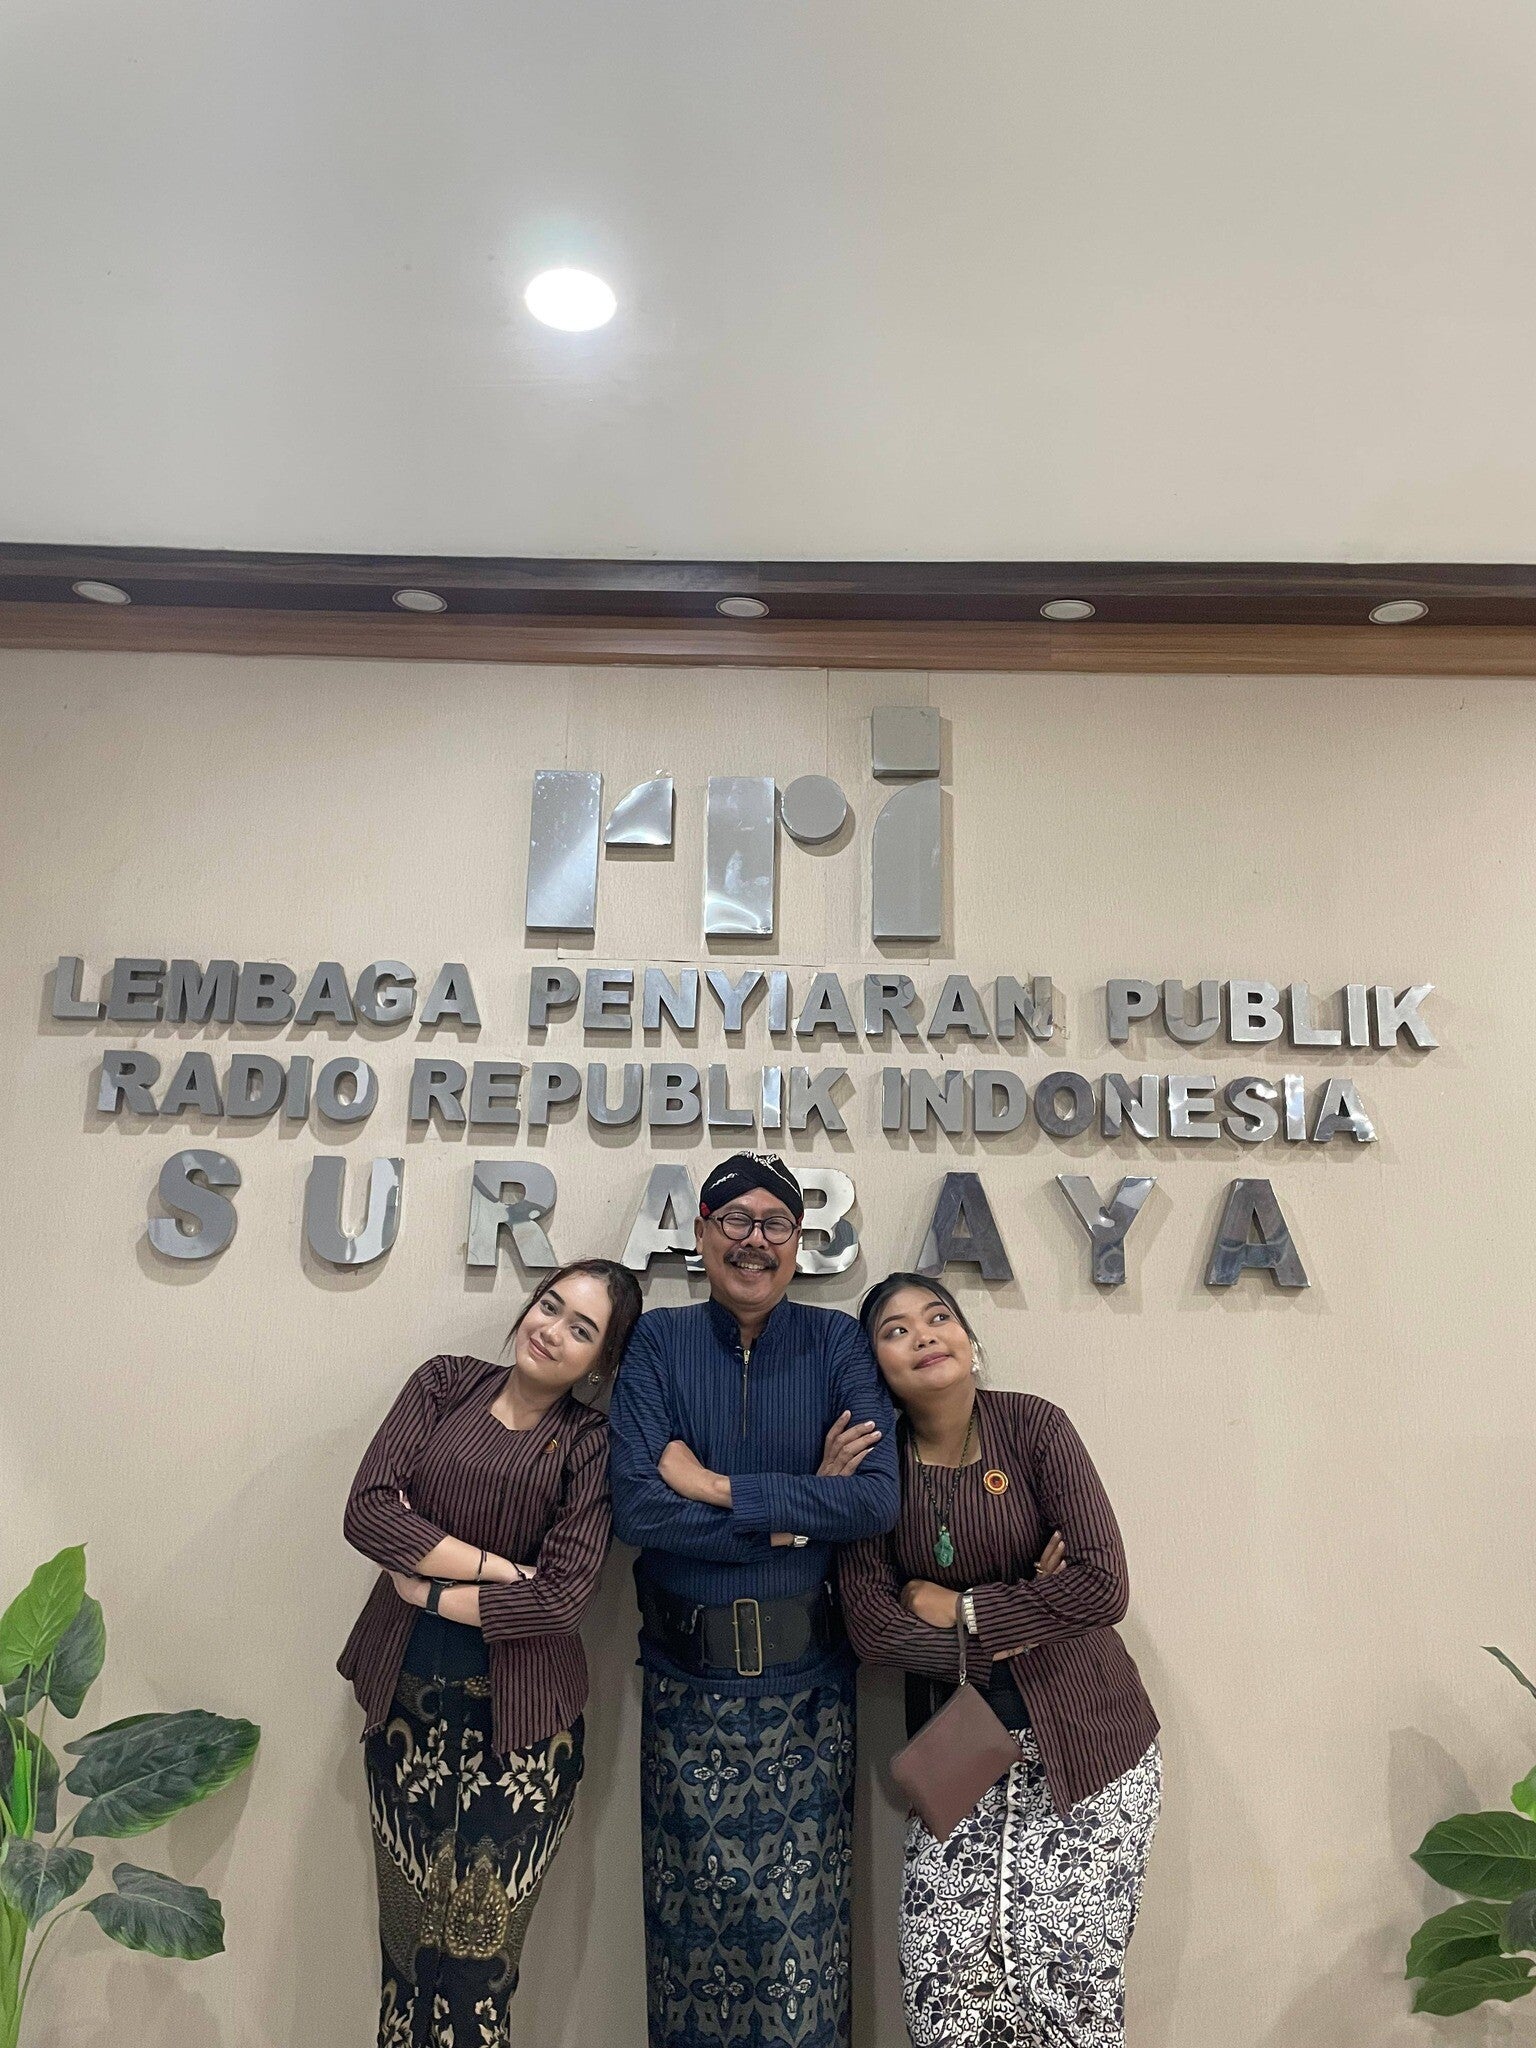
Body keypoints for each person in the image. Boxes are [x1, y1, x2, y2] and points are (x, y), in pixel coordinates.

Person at [609, 1152, 900, 2048]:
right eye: (736, 1220)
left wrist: (718, 1488)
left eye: (776, 1224)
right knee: (690, 1956)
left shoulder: (837, 1343)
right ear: (701, 1233)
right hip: (683, 1692)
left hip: (808, 1702)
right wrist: (795, 1516)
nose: (754, 1241)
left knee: (798, 1958)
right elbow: (638, 1509)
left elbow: (873, 1499)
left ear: (798, 1244)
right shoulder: (657, 1343)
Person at [840, 1272, 1161, 2048]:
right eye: (895, 1330)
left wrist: (963, 1610)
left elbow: (1103, 1585)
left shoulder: (1034, 1427)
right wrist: (1027, 1616)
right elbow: (872, 1631)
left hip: (1089, 1744)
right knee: (945, 1994)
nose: (923, 1335)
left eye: (938, 1317)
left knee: (1067, 1994)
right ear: (875, 1366)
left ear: (969, 1341)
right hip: (958, 1756)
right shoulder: (875, 1468)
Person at [339, 1259, 642, 2048]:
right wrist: (500, 1569)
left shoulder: (589, 1444)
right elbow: (368, 1512)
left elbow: (563, 1599)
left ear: (601, 1361)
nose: (553, 1330)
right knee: (407, 1956)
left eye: (582, 1329)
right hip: (404, 1704)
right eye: (550, 1305)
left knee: (478, 1970)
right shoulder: (444, 1384)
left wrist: (429, 1589)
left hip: (523, 1733)